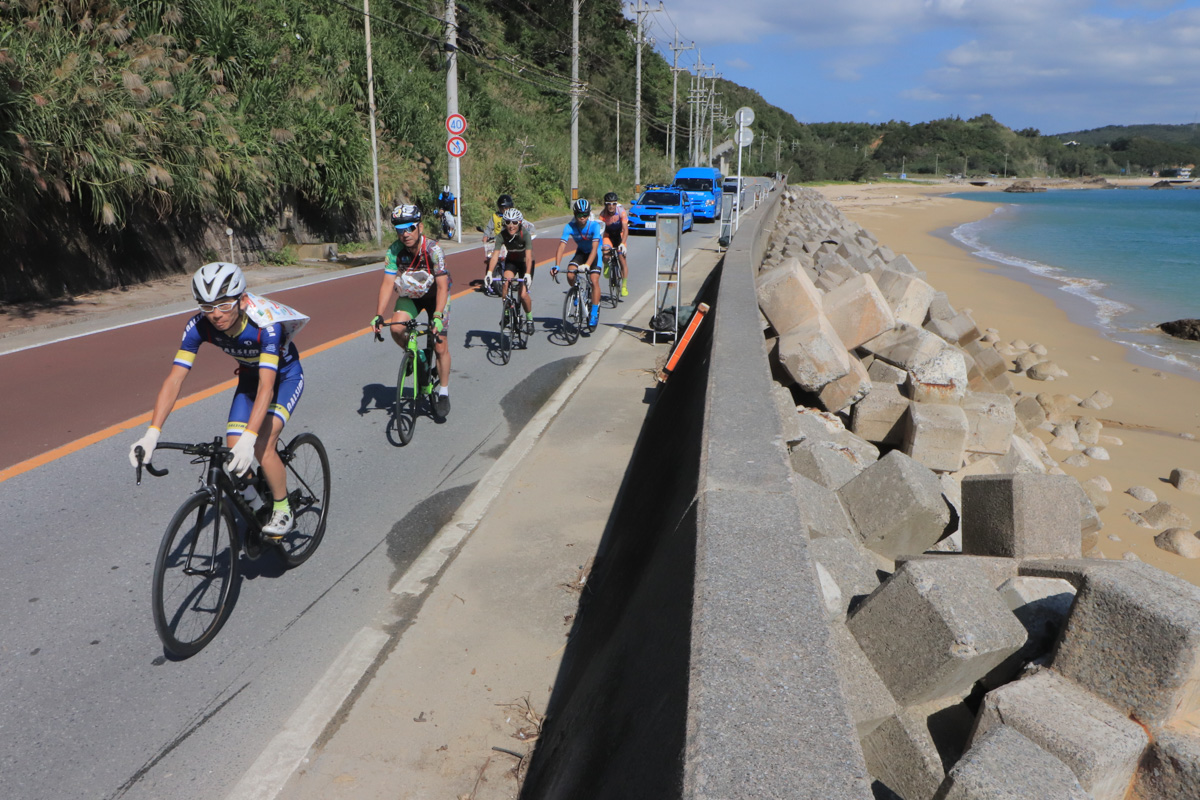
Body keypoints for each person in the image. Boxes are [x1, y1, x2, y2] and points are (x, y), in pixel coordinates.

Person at [128, 262, 305, 538]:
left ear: (242, 300)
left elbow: (267, 386)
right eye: (207, 306)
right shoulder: (198, 326)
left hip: (284, 378)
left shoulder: (266, 325)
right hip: (249, 378)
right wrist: (152, 433)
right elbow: (175, 379)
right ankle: (259, 506)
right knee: (234, 454)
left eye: (223, 304)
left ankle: (283, 509)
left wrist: (251, 436)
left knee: (259, 445)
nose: (216, 315)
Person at [372, 203, 452, 417]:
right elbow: (388, 283)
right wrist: (379, 314)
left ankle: (443, 391)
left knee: (441, 346)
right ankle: (415, 356)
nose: (405, 234)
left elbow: (443, 286)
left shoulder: (433, 250)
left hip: (436, 297)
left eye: (410, 228)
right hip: (411, 297)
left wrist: (437, 316)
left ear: (420, 227)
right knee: (396, 328)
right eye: (400, 229)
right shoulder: (394, 251)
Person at [552, 198, 604, 328]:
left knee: (594, 280)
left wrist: (587, 265)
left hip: (594, 253)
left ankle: (593, 313)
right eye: (580, 215)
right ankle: (577, 291)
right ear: (575, 215)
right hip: (581, 252)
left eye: (585, 215)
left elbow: (594, 249)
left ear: (589, 214)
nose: (582, 218)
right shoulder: (570, 226)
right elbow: (561, 246)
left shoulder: (594, 226)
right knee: (570, 274)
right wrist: (557, 265)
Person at [487, 207, 536, 334]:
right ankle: (507, 312)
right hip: (512, 262)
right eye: (508, 222)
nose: (511, 225)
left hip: (526, 263)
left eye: (514, 222)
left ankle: (529, 319)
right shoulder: (502, 235)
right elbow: (495, 255)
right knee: (505, 283)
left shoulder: (524, 234)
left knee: (523, 294)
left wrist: (527, 275)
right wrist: (489, 273)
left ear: (519, 223)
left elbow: (529, 257)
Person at [481, 194, 515, 294]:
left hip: (508, 240)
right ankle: (488, 278)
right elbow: (488, 228)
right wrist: (485, 236)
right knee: (490, 258)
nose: (504, 210)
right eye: (502, 208)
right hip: (497, 241)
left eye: (506, 207)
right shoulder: (495, 216)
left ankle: (511, 276)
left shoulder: (512, 216)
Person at [599, 191, 629, 297]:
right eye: (609, 203)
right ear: (605, 205)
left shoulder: (621, 212)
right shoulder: (602, 215)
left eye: (614, 203)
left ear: (616, 204)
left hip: (620, 235)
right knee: (606, 254)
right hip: (608, 236)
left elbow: (625, 230)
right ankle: (607, 264)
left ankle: (624, 286)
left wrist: (623, 243)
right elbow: (600, 232)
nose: (611, 206)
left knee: (622, 259)